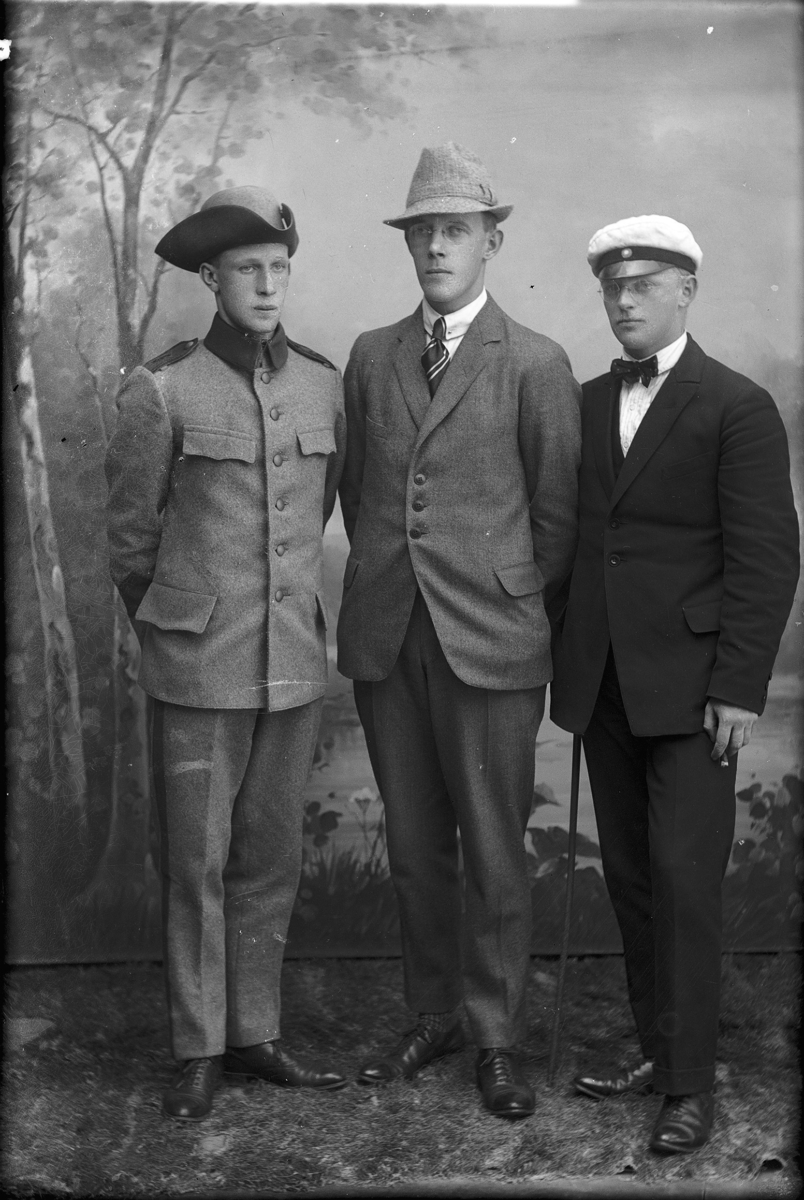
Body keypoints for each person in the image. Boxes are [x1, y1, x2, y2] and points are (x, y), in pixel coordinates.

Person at [337, 143, 581, 1119]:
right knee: (413, 846)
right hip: (390, 635)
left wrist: (497, 599)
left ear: (492, 243)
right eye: (423, 232)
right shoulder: (372, 356)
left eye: (456, 231)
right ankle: (432, 1013)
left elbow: (556, 519)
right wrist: (403, 584)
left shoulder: (536, 363)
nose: (437, 247)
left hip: (491, 642)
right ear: (408, 246)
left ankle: (494, 1036)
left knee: (491, 848)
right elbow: (361, 494)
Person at [550, 215, 799, 1153]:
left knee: (685, 884)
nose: (624, 301)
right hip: (605, 685)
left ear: (686, 292)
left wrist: (739, 686)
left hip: (696, 694)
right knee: (630, 880)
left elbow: (768, 560)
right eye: (613, 287)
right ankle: (659, 1053)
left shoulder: (736, 405)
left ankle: (692, 1086)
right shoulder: (583, 403)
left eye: (644, 285)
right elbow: (575, 541)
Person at [105, 186, 347, 1120]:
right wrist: (179, 625)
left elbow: (315, 517)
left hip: (291, 660)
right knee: (196, 863)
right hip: (199, 665)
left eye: (280, 268)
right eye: (250, 269)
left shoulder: (322, 384)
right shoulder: (162, 388)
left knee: (269, 860)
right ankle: (200, 1047)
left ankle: (254, 1033)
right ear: (211, 278)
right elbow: (131, 540)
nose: (269, 285)